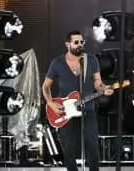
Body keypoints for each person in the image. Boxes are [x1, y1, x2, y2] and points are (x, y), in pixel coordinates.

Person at [42, 30, 115, 171]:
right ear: (67, 44)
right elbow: (45, 86)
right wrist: (50, 102)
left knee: (93, 146)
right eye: (76, 42)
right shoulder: (57, 63)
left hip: (88, 109)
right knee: (68, 149)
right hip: (65, 111)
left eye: (82, 42)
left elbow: (97, 83)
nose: (80, 45)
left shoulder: (91, 60)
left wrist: (103, 88)